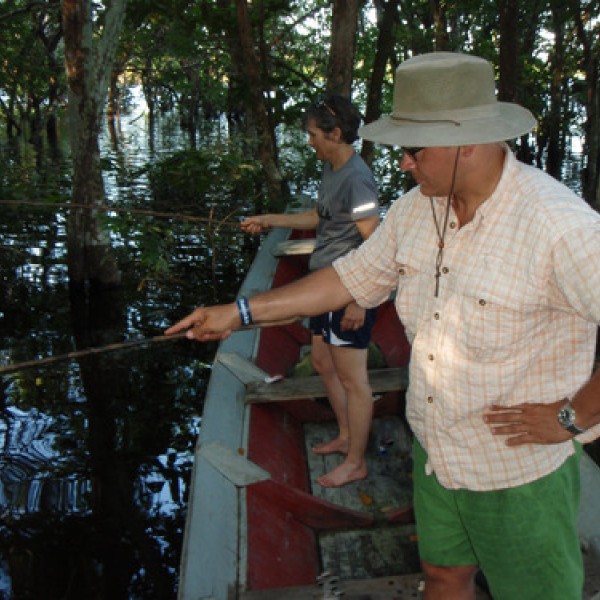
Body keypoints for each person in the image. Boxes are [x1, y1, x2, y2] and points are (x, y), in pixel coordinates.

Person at [166, 52, 600, 600]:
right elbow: (348, 279)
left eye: (414, 150)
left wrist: (571, 417)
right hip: (437, 453)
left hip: (516, 473)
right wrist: (241, 313)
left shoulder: (561, 226)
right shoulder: (420, 210)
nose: (403, 165)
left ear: (466, 142)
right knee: (443, 578)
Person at [240, 95, 381, 488]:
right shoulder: (333, 169)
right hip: (326, 285)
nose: (310, 142)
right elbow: (319, 218)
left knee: (355, 381)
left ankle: (357, 461)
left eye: (314, 135)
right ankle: (347, 436)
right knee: (322, 364)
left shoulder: (357, 178)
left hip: (346, 290)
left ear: (335, 134)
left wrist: (359, 297)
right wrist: (270, 220)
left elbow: (377, 244)